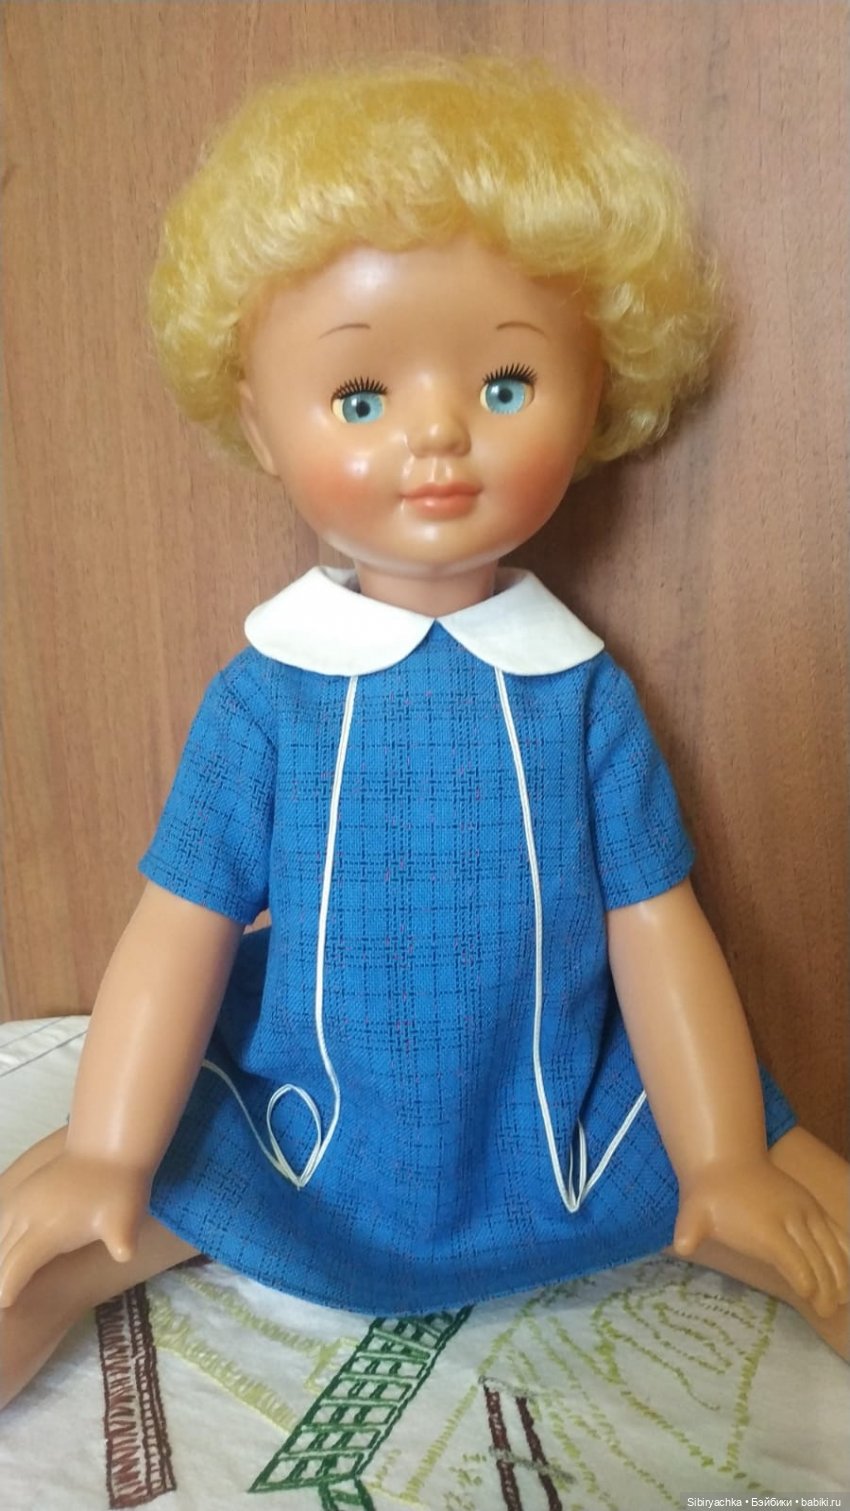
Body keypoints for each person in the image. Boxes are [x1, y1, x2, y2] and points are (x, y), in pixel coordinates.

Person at [1, 57, 847, 1410]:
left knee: (812, 1215)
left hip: (556, 1109)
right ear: (261, 425)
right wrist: (106, 1149)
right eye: (360, 399)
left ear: (594, 394)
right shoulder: (268, 697)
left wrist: (721, 1158)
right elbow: (180, 922)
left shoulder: (579, 693)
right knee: (39, 1237)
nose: (439, 434)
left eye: (506, 385)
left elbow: (653, 921)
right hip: (310, 1115)